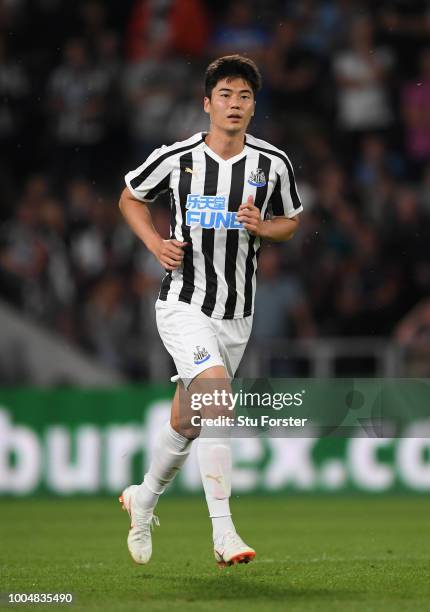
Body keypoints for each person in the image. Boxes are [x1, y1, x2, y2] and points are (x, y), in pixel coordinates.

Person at [118, 55, 303, 567]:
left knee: (189, 419)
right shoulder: (177, 158)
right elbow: (130, 198)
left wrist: (264, 228)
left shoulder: (272, 165)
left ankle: (143, 498)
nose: (235, 104)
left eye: (244, 96)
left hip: (237, 314)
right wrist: (156, 244)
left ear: (253, 105)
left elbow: (290, 220)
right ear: (207, 103)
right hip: (183, 303)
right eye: (225, 94)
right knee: (218, 401)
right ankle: (223, 533)